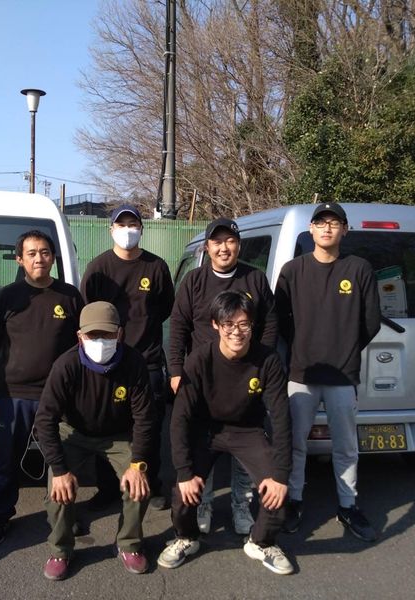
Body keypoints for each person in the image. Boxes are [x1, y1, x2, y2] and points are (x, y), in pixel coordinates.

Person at [158, 291, 293, 574]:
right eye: (228, 324)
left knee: (278, 490)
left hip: (247, 430)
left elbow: (281, 419)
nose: (236, 331)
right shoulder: (199, 359)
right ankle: (187, 537)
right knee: (183, 492)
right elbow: (180, 418)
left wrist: (280, 475)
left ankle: (261, 541)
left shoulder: (268, 361)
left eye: (244, 324)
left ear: (252, 325)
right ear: (215, 325)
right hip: (206, 430)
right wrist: (184, 472)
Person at [274, 202, 381, 541]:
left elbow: (371, 322)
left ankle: (348, 505)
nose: (327, 228)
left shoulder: (359, 269)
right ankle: (293, 500)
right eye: (321, 222)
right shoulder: (293, 270)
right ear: (311, 229)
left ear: (344, 230)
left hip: (342, 375)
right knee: (295, 444)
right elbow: (280, 319)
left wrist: (345, 347)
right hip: (301, 374)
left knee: (346, 446)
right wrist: (301, 348)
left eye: (334, 223)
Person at [168, 217, 278, 535]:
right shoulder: (194, 281)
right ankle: (203, 505)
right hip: (204, 378)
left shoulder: (254, 279)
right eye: (217, 242)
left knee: (247, 442)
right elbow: (178, 327)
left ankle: (241, 506)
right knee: (204, 443)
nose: (223, 247)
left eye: (230, 241)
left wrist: (261, 361)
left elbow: (270, 323)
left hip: (247, 376)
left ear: (239, 245)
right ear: (207, 247)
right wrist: (176, 371)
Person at [34, 301, 155, 581]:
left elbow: (145, 418)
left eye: (107, 334)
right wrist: (60, 471)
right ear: (80, 336)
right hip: (73, 432)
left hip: (118, 436)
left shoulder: (134, 363)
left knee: (139, 485)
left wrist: (137, 463)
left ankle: (129, 544)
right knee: (58, 490)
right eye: (93, 335)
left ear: (119, 333)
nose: (100, 341)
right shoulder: (66, 365)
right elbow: (45, 420)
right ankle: (61, 549)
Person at [0, 230, 84, 545]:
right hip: (15, 394)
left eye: (44, 252)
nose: (39, 258)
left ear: (52, 257)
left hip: (58, 394)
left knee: (60, 460)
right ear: (19, 259)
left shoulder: (70, 296)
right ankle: (0, 517)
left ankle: (61, 517)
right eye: (31, 253)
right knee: (7, 460)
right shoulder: (8, 297)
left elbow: (80, 341)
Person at [80, 203, 174, 510]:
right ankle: (108, 487)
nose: (127, 230)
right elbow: (87, 312)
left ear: (142, 230)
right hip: (107, 359)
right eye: (121, 225)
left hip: (147, 360)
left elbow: (164, 308)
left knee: (150, 426)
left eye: (133, 224)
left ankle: (152, 484)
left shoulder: (156, 267)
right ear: (111, 230)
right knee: (106, 425)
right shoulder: (98, 268)